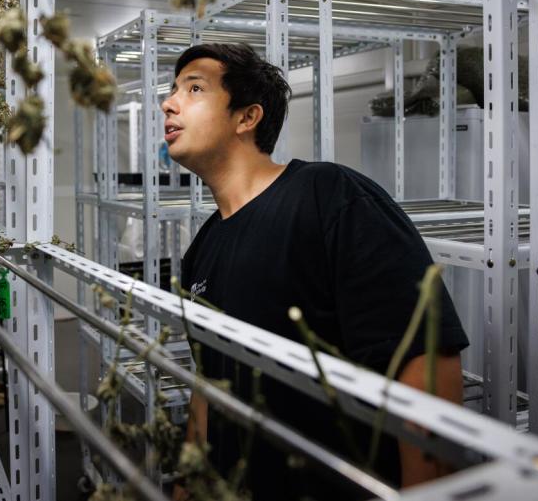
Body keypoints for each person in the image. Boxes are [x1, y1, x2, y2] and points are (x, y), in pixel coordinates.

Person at [164, 44, 469, 500]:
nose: (169, 103)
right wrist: (188, 485)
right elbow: (209, 384)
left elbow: (424, 362)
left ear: (247, 117)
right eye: (172, 91)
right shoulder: (204, 246)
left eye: (194, 89)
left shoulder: (329, 196)